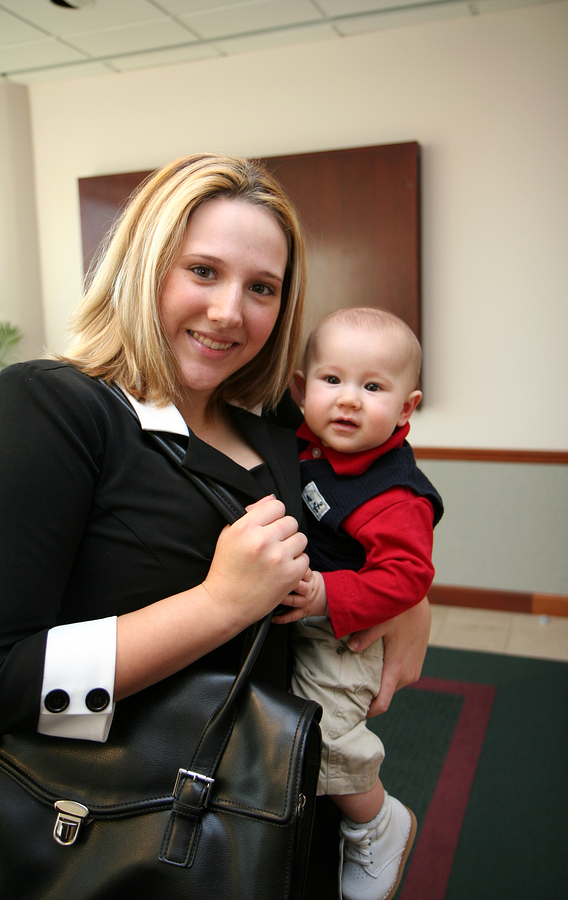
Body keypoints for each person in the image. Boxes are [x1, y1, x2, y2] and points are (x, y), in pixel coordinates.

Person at [0, 154, 432, 895]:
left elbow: (378, 495)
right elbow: (6, 673)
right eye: (203, 270)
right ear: (145, 266)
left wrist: (415, 598)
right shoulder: (55, 408)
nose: (231, 311)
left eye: (262, 287)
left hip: (276, 800)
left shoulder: (275, 430)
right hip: (126, 823)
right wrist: (219, 604)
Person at [275, 307, 444, 900]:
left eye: (372, 387)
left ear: (406, 408)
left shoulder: (393, 494)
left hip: (344, 634)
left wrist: (328, 594)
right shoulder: (307, 441)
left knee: (325, 741)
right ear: (300, 389)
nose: (348, 400)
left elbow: (408, 577)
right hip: (309, 616)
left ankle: (376, 820)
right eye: (332, 380)